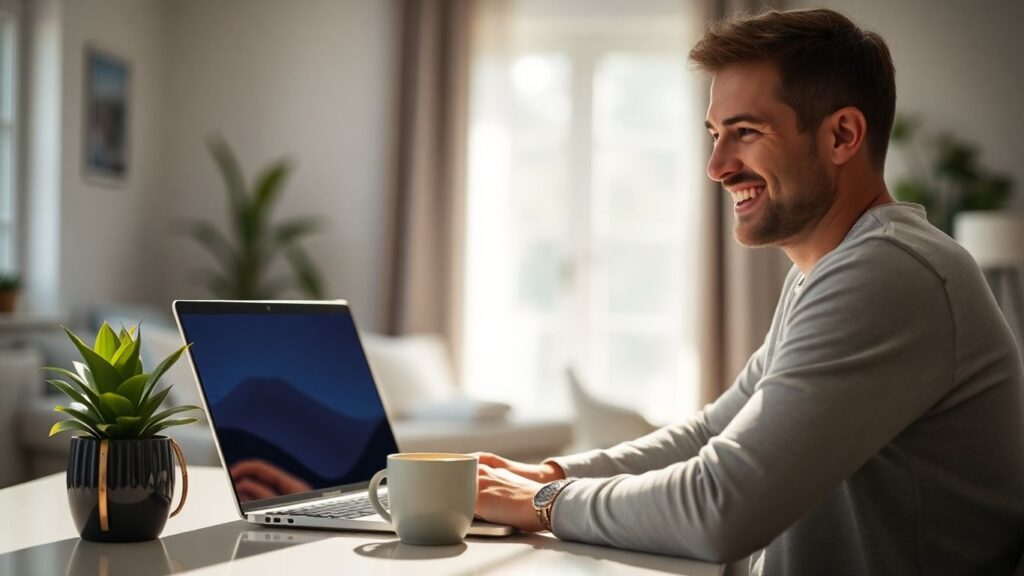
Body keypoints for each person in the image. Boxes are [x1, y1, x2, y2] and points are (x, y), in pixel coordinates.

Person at [472, 8, 1024, 575]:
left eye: (746, 132)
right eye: (715, 134)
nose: (716, 166)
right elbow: (716, 430)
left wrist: (541, 505)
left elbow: (722, 507)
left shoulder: (890, 271)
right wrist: (553, 476)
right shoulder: (830, 267)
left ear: (842, 135)